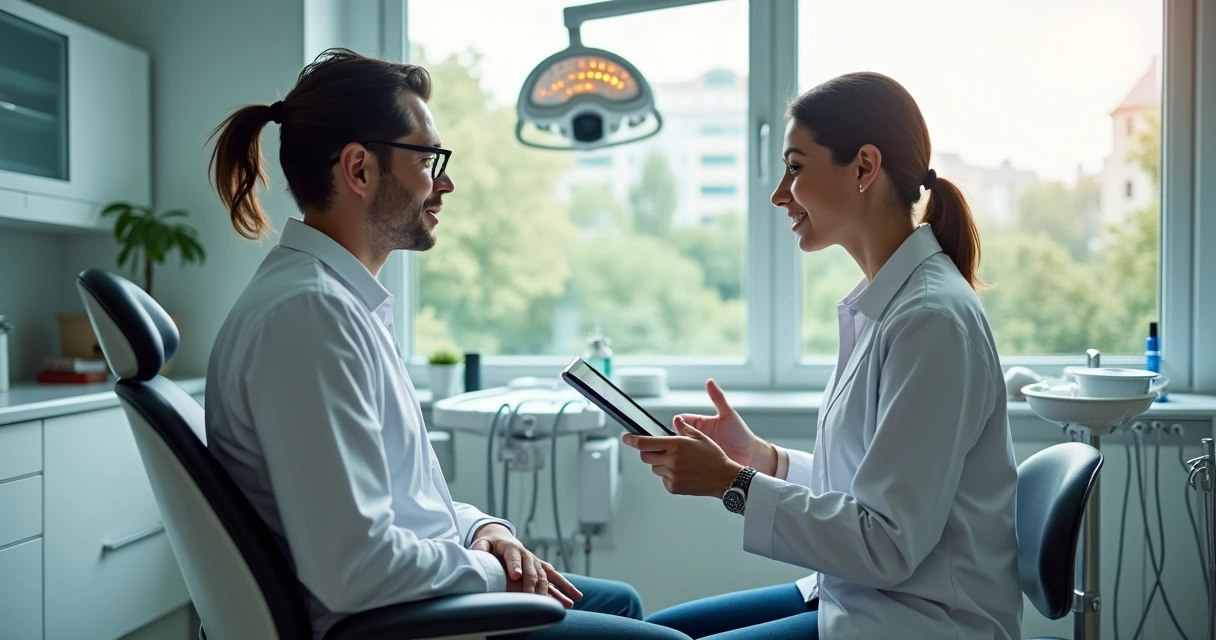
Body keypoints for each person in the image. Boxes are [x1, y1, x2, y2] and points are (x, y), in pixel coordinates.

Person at [205, 48, 688, 640]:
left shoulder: (337, 304)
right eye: (430, 159)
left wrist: (487, 531)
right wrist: (492, 571)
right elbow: (354, 570)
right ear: (359, 169)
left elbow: (408, 503)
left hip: (410, 601)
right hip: (398, 625)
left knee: (622, 603)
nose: (446, 182)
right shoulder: (310, 317)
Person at [622, 72, 1023, 640]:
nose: (779, 194)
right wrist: (762, 460)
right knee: (656, 630)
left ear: (864, 167)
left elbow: (886, 544)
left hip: (915, 621)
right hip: (856, 594)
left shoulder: (930, 320)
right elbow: (871, 485)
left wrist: (731, 483)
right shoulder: (889, 305)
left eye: (795, 166)